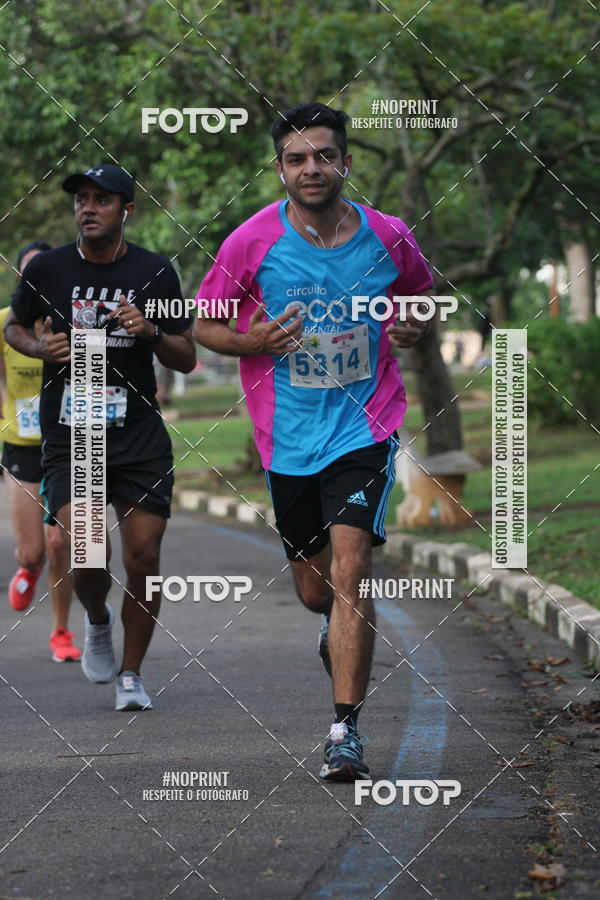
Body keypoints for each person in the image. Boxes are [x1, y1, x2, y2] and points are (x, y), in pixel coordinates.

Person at [193, 103, 433, 780]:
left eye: (324, 156)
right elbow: (207, 325)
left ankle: (344, 730)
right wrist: (253, 341)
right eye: (297, 159)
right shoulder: (249, 242)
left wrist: (412, 324)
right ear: (279, 170)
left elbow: (418, 293)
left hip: (366, 426)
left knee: (353, 568)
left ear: (346, 163)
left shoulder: (388, 235)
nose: (311, 169)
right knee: (315, 590)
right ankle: (340, 635)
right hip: (289, 437)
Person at [5, 164, 196, 710]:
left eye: (102, 200)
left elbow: (185, 355)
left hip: (137, 434)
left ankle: (132, 675)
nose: (88, 208)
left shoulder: (156, 273)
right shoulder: (47, 269)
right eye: (81, 200)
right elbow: (14, 326)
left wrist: (151, 331)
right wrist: (40, 349)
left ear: (126, 210)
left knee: (144, 555)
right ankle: (95, 617)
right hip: (73, 433)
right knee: (87, 553)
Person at [0, 242, 80, 662]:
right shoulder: (5, 326)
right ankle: (27, 569)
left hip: (64, 442)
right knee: (34, 550)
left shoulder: (73, 322)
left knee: (60, 542)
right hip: (21, 446)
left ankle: (61, 631)